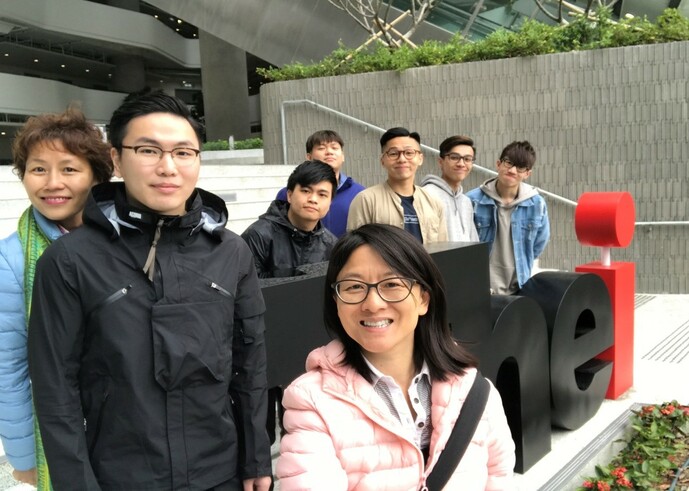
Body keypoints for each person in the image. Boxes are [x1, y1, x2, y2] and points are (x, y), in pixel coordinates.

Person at [27, 91, 272, 490]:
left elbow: (250, 365)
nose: (167, 167)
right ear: (116, 159)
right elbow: (56, 390)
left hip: (219, 471)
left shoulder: (231, 251)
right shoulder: (69, 261)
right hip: (121, 476)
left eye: (184, 152)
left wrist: (257, 459)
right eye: (148, 150)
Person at [277, 223, 515, 490]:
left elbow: (499, 477)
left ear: (424, 299)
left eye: (392, 284)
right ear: (336, 301)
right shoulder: (311, 401)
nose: (373, 304)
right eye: (354, 287)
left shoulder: (473, 390)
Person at [0, 108, 112, 490]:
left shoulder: (125, 243)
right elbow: (9, 368)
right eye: (37, 169)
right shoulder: (12, 259)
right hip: (61, 433)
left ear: (97, 176)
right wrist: (25, 458)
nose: (52, 183)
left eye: (68, 169)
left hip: (128, 426)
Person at [466, 140, 550, 294]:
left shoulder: (536, 204)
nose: (512, 170)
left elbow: (539, 243)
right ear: (498, 164)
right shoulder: (473, 200)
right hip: (481, 286)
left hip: (519, 286)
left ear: (527, 173)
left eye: (520, 167)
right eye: (508, 163)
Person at [346, 127, 448, 243]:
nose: (402, 159)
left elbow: (442, 247)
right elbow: (354, 249)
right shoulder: (366, 200)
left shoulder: (434, 202)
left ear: (420, 159)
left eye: (409, 153)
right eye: (393, 153)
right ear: (382, 160)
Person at [243, 160, 337, 278]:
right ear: (289, 195)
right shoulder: (258, 236)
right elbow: (245, 288)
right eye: (306, 191)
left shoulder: (331, 244)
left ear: (330, 203)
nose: (313, 199)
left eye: (322, 195)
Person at [276, 130, 364, 238]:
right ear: (309, 157)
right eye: (321, 148)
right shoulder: (291, 192)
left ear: (343, 156)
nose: (329, 152)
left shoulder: (360, 193)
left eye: (334, 148)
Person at [421, 135, 479, 242]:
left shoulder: (466, 201)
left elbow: (473, 241)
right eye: (454, 157)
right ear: (440, 162)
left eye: (467, 159)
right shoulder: (427, 195)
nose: (461, 164)